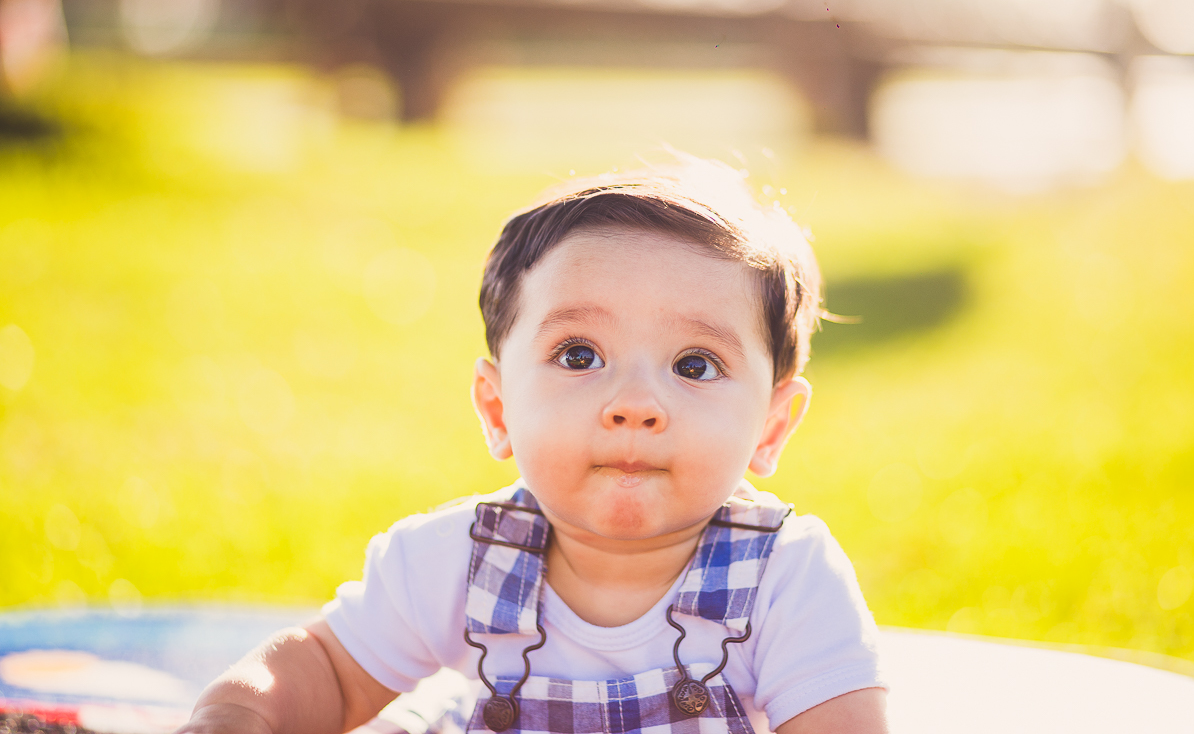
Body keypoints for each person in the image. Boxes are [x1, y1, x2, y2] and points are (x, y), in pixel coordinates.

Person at [176, 155, 888, 734]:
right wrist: (237, 716)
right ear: (498, 409)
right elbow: (327, 671)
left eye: (693, 365)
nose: (634, 405)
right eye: (579, 355)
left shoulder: (786, 578)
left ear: (770, 427)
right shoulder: (454, 560)